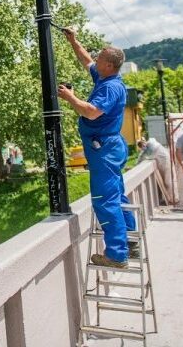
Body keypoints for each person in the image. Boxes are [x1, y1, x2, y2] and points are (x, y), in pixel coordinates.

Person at [57, 28, 136, 269]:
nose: (96, 59)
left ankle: (116, 254)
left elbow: (91, 112)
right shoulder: (104, 77)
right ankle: (130, 240)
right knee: (117, 194)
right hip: (110, 147)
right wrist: (72, 40)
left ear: (110, 65)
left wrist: (69, 97)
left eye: (100, 57)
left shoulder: (111, 88)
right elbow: (86, 60)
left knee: (105, 199)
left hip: (103, 149)